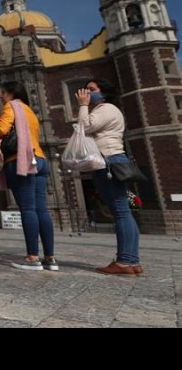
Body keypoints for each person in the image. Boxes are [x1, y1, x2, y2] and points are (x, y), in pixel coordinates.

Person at [0, 81, 56, 271]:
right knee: (41, 210)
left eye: (3, 93)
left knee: (27, 209)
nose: (1, 96)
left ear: (11, 93)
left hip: (21, 158)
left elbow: (2, 129)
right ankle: (50, 258)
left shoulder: (11, 106)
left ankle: (32, 257)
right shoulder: (29, 110)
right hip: (39, 159)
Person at [75, 78, 142, 275]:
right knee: (123, 212)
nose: (87, 92)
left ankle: (124, 262)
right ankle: (132, 261)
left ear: (103, 93)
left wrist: (83, 105)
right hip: (112, 159)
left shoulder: (106, 108)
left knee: (120, 212)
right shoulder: (109, 110)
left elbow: (85, 127)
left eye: (91, 89)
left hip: (108, 161)